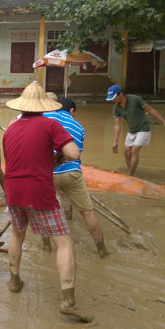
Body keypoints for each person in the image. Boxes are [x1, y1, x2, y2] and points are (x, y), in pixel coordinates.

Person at [3, 81, 92, 323]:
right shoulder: (51, 124)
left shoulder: (10, 128)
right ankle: (68, 301)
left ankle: (14, 281)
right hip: (38, 191)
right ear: (45, 106)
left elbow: (22, 159)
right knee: (64, 243)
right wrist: (60, 152)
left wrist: (50, 159)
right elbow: (74, 154)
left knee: (17, 234)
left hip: (12, 190)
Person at [43, 96, 108, 258]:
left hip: (47, 174)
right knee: (87, 211)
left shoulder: (44, 117)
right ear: (71, 111)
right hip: (72, 173)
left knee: (43, 211)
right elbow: (75, 155)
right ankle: (102, 249)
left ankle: (46, 247)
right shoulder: (79, 126)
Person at [106, 84, 165, 176]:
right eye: (111, 98)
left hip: (143, 128)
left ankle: (130, 175)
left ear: (120, 94)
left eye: (114, 97)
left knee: (134, 150)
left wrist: (164, 122)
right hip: (132, 130)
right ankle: (132, 172)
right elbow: (117, 125)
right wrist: (115, 142)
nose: (113, 100)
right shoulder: (116, 108)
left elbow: (150, 110)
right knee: (126, 152)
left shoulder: (135, 99)